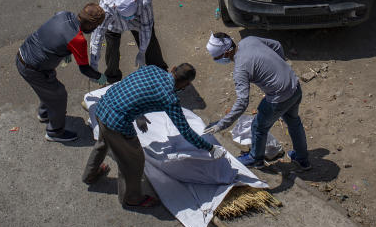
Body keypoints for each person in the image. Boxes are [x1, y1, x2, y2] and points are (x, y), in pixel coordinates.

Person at [83, 63, 227, 208]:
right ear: (187, 84)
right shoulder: (169, 99)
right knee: (133, 162)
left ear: (173, 69)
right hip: (117, 124)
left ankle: (90, 174)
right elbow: (186, 132)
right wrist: (210, 148)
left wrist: (138, 113)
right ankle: (131, 198)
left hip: (103, 108)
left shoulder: (152, 69)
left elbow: (134, 86)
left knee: (103, 142)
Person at [204, 33, 311, 170]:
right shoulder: (249, 40)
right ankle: (303, 159)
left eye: (216, 58)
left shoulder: (240, 69)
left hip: (279, 98)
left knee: (258, 127)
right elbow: (277, 45)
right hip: (294, 86)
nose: (216, 60)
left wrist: (222, 124)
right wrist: (281, 65)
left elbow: (242, 102)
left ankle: (256, 159)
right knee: (294, 122)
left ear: (227, 52)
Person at [17, 4, 107, 142]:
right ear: (90, 25)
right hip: (33, 69)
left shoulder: (64, 14)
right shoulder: (78, 39)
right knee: (59, 95)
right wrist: (99, 77)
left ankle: (45, 113)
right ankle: (54, 132)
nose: (95, 29)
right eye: (96, 26)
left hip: (23, 53)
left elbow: (56, 27)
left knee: (49, 89)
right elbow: (84, 69)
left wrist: (65, 48)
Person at [89, 0, 167, 84]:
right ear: (115, 7)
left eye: (131, 16)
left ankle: (160, 73)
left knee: (150, 46)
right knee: (112, 49)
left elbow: (146, 28)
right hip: (115, 23)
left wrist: (142, 51)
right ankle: (112, 78)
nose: (129, 20)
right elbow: (98, 33)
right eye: (126, 17)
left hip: (138, 22)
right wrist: (93, 64)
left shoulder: (145, 0)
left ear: (135, 1)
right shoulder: (107, 6)